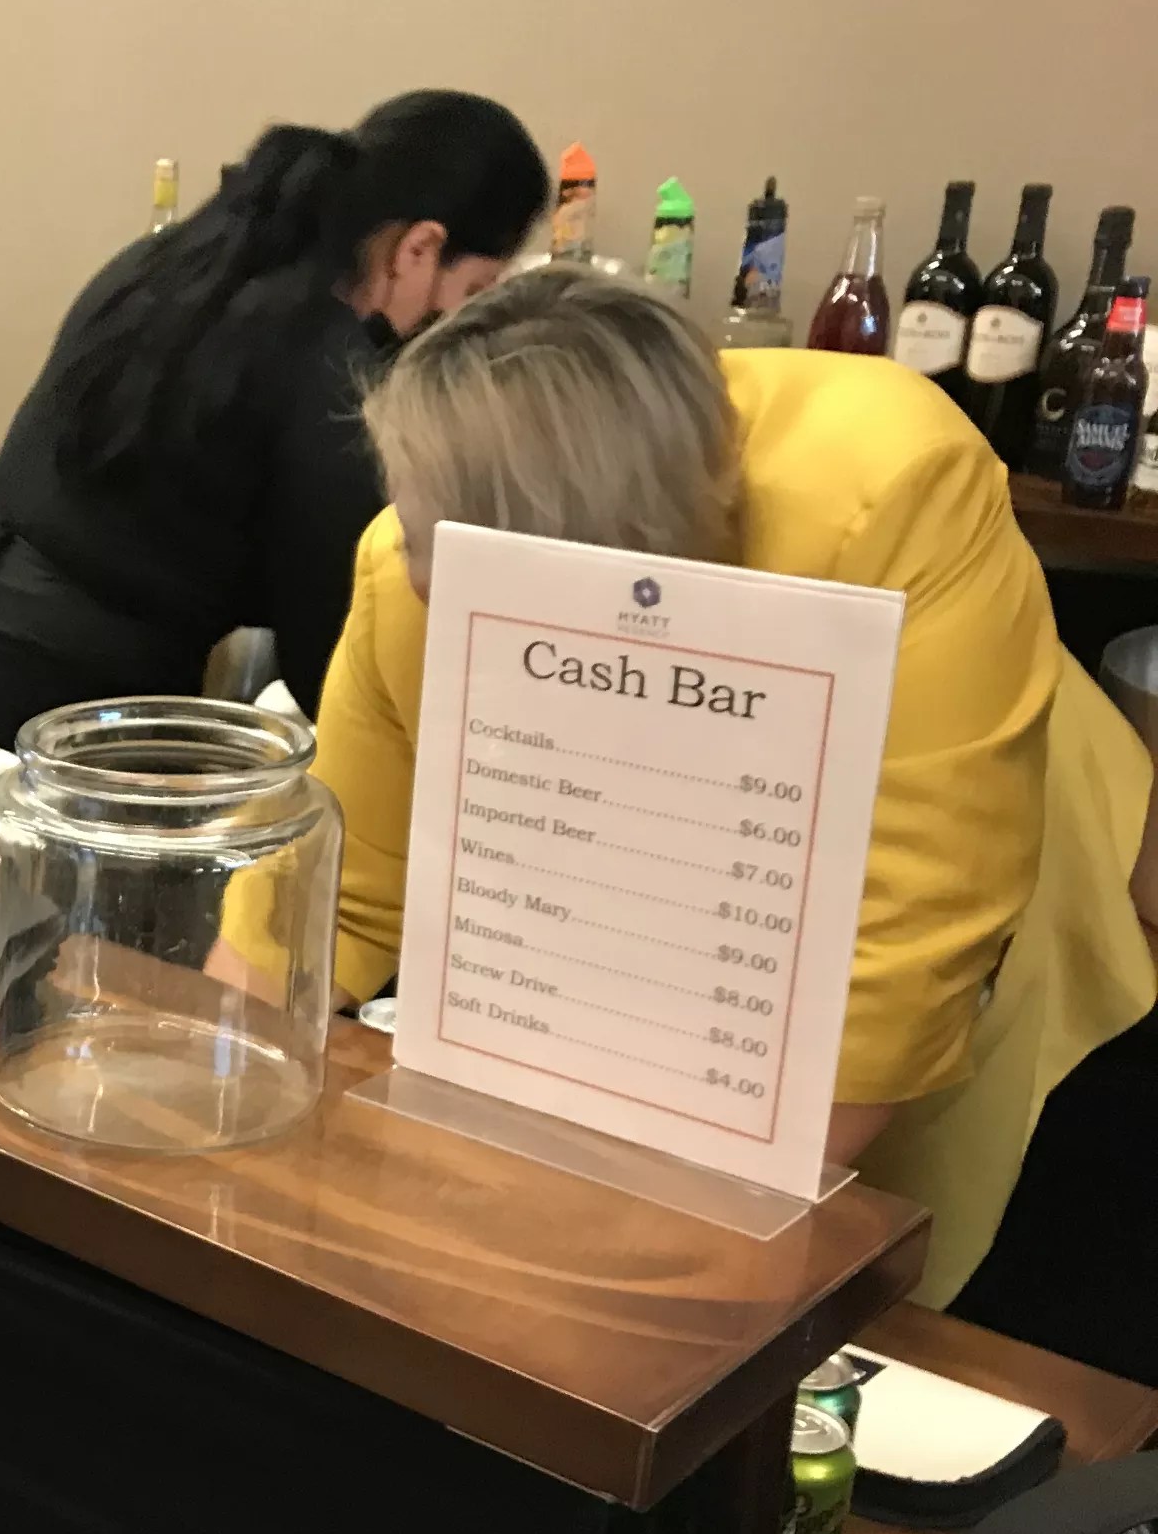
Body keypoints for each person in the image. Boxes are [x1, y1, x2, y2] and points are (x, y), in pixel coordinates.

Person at [318, 266, 1157, 1333]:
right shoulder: (415, 557)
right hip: (664, 932)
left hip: (986, 891)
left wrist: (635, 1275)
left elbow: (909, 941)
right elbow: (337, 885)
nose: (418, 573)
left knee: (924, 1282)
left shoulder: (894, 484)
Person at [0, 90, 549, 743]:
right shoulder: (325, 361)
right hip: (63, 707)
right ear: (419, 248)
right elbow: (330, 663)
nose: (453, 321)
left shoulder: (178, 261)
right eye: (473, 290)